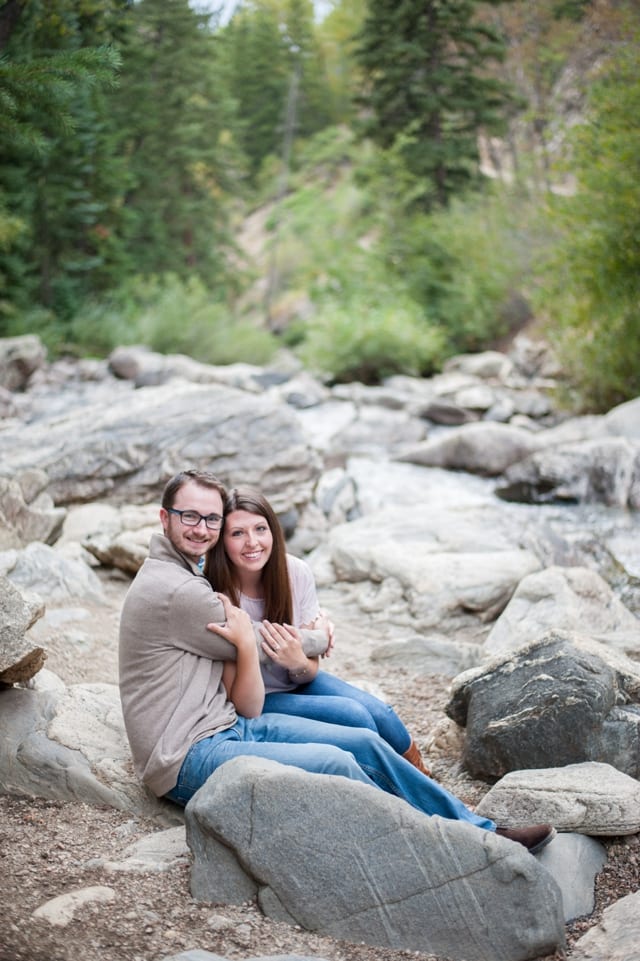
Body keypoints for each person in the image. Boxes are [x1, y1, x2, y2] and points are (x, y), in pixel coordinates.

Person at [118, 467, 555, 855]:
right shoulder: (181, 590)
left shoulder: (188, 574)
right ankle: (448, 846)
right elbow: (263, 640)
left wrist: (302, 646)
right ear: (164, 518)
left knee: (363, 740)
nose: (202, 527)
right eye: (189, 516)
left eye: (211, 518)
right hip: (186, 755)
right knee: (337, 761)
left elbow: (265, 663)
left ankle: (478, 828)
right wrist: (321, 635)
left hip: (227, 721)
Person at [205, 485, 432, 775]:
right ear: (222, 540)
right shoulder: (217, 593)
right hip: (255, 699)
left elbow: (308, 670)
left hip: (296, 681)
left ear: (273, 530)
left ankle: (420, 776)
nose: (252, 542)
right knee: (354, 716)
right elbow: (236, 691)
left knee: (382, 714)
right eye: (238, 533)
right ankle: (391, 782)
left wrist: (298, 661)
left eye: (260, 529)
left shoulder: (294, 573)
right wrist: (316, 639)